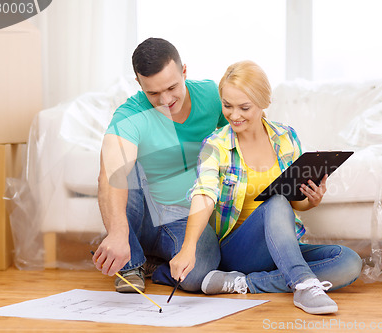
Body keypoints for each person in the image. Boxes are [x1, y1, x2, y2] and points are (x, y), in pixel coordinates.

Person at [169, 60, 362, 315]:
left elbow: (296, 201)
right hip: (237, 251)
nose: (234, 115)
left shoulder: (286, 138)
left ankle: (243, 283)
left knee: (347, 261)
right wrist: (188, 248)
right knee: (276, 199)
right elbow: (204, 194)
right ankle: (302, 284)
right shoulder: (215, 145)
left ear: (263, 103)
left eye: (244, 107)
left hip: (280, 249)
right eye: (227, 106)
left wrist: (311, 200)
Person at [92, 38, 226, 293]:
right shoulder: (130, 114)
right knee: (122, 164)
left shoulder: (211, 95)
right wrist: (119, 234)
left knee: (198, 275)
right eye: (153, 92)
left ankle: (155, 265)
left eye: (172, 87)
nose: (165, 99)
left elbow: (247, 130)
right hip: (141, 215)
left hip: (184, 216)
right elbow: (110, 176)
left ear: (184, 71)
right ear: (139, 84)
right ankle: (131, 262)